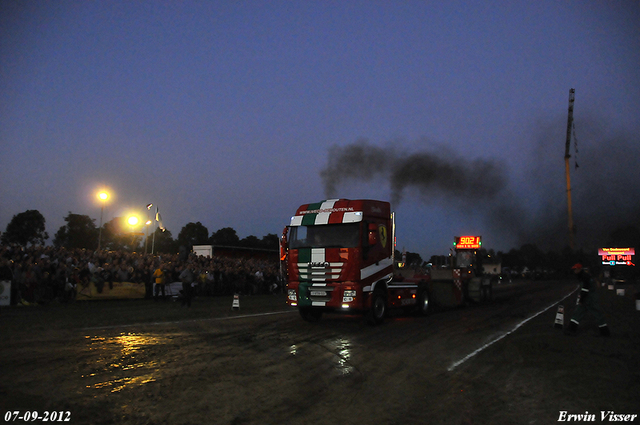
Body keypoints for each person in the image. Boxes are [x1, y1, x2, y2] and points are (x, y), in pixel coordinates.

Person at [565, 263, 610, 336]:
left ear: (579, 269)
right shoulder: (585, 276)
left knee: (593, 313)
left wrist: (582, 300)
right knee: (580, 313)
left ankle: (605, 331)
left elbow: (585, 289)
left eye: (575, 269)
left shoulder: (584, 277)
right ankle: (571, 329)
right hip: (590, 298)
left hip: (589, 299)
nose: (574, 271)